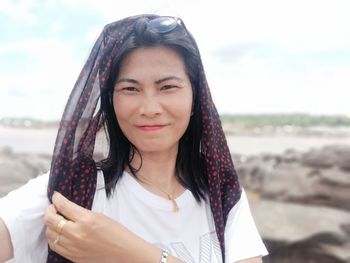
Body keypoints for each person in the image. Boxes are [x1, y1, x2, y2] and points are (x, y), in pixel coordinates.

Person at [0, 14, 268, 263]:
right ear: (110, 101)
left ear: (196, 96)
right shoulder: (72, 190)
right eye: (130, 88)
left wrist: (132, 253)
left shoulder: (219, 190)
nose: (149, 108)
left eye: (167, 87)